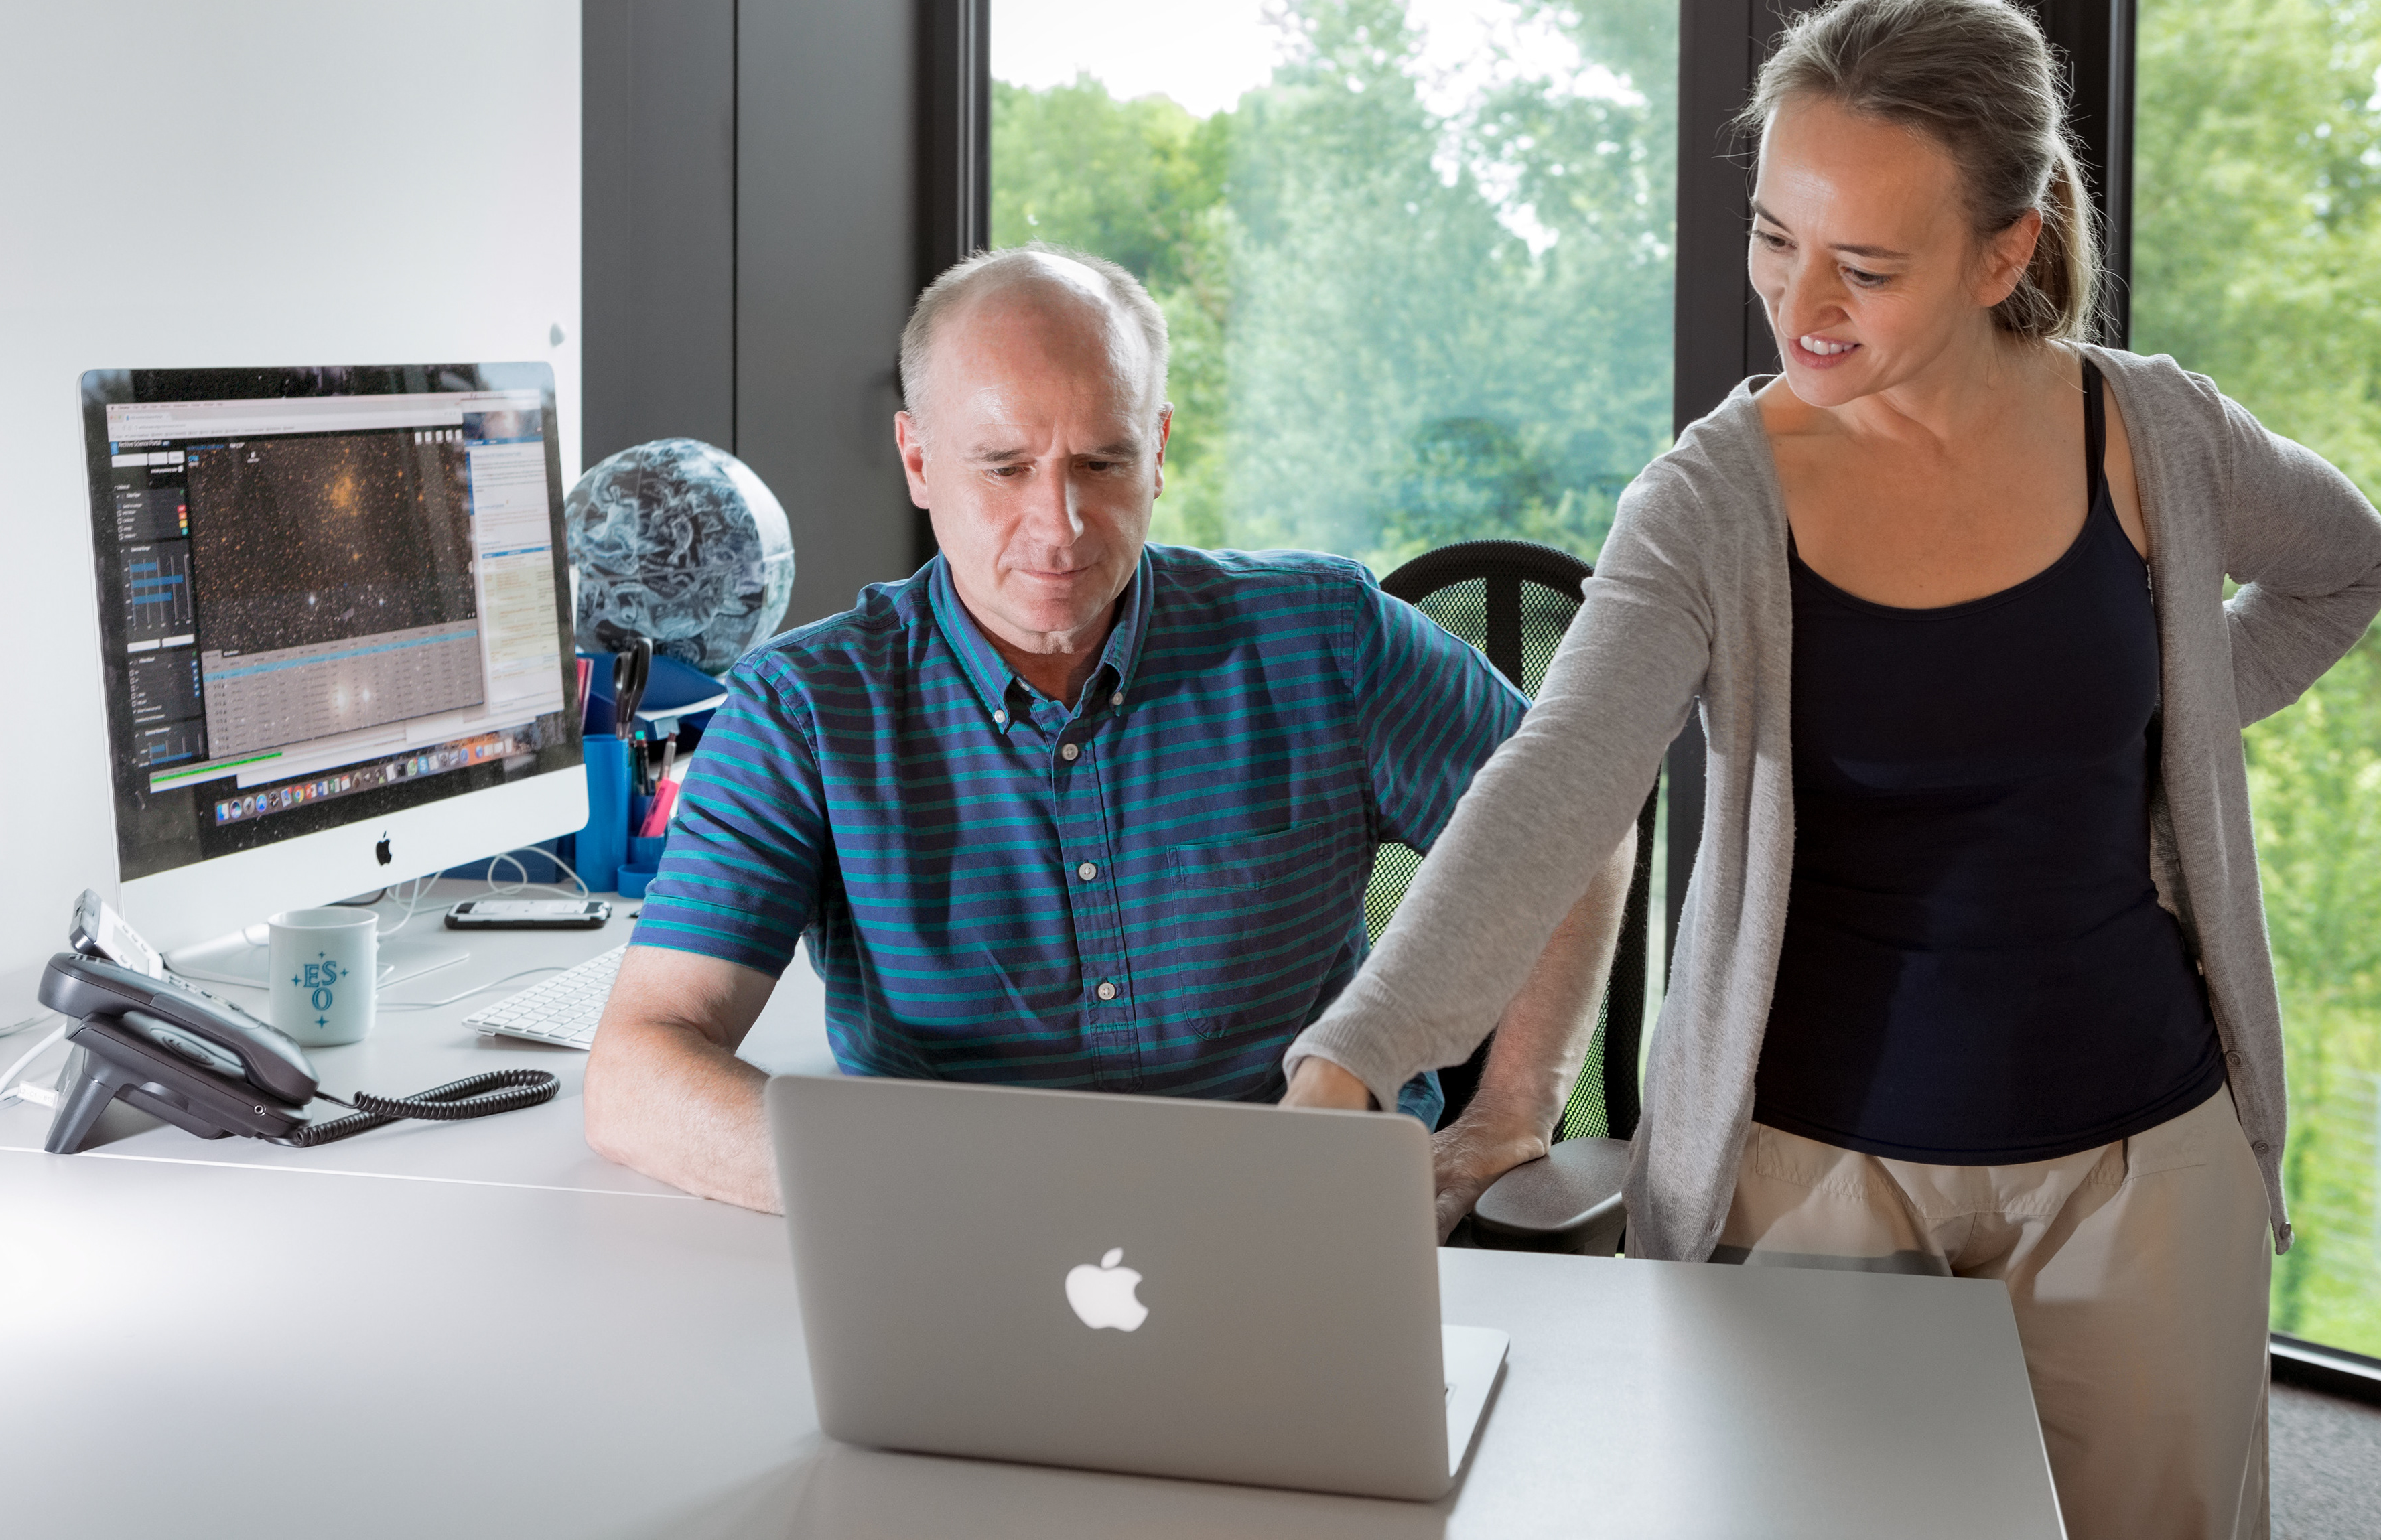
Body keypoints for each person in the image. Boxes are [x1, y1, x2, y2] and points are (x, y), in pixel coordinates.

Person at [1280, 0, 2381, 1540]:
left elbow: (2349, 567)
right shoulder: (1710, 502)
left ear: (2004, 254)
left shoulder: (2153, 435)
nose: (1800, 302)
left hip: (2141, 1167)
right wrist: (1349, 1061)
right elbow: (1554, 786)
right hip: (1814, 1177)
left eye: (1865, 267)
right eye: (1773, 236)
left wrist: (2174, 722)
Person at [584, 243, 1639, 1236]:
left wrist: (1509, 1114)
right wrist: (923, 1195)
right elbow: (638, 1073)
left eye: (1101, 462)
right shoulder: (805, 710)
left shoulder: (1326, 638)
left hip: (1305, 1229)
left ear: (1159, 452)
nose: (1060, 526)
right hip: (969, 1250)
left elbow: (1575, 820)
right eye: (1004, 467)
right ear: (918, 459)